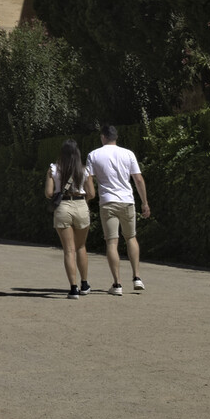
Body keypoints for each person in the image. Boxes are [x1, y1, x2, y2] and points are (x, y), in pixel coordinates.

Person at [87, 123, 151, 294]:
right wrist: (144, 202)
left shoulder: (94, 155)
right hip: (128, 201)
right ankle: (137, 277)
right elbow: (138, 179)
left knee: (112, 242)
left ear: (103, 137)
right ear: (116, 137)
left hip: (107, 202)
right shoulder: (128, 153)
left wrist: (88, 199)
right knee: (131, 237)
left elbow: (89, 179)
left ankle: (117, 284)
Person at [45, 138, 95, 298]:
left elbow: (48, 193)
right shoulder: (84, 170)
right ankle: (85, 283)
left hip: (63, 206)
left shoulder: (53, 169)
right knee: (81, 247)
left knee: (69, 250)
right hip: (80, 204)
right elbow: (92, 194)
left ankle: (73, 288)